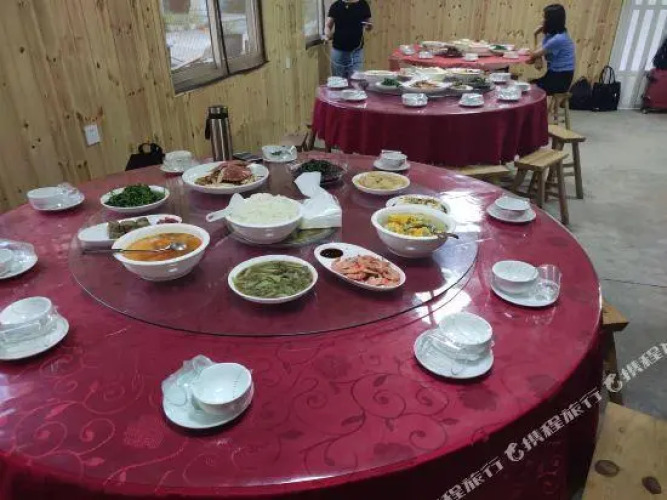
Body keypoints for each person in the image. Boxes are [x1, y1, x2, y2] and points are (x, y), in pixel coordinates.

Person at [528, 4, 576, 95]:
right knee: (529, 85)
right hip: (554, 75)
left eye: (544, 17)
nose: (541, 20)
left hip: (560, 79)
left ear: (551, 21)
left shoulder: (558, 39)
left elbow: (534, 54)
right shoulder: (552, 35)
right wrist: (536, 56)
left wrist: (534, 35)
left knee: (529, 88)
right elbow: (536, 57)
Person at [324, 0, 372, 78]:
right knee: (338, 82)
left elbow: (368, 24)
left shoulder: (363, 4)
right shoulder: (336, 5)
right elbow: (327, 26)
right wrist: (327, 34)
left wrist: (369, 26)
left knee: (356, 81)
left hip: (356, 52)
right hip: (338, 52)